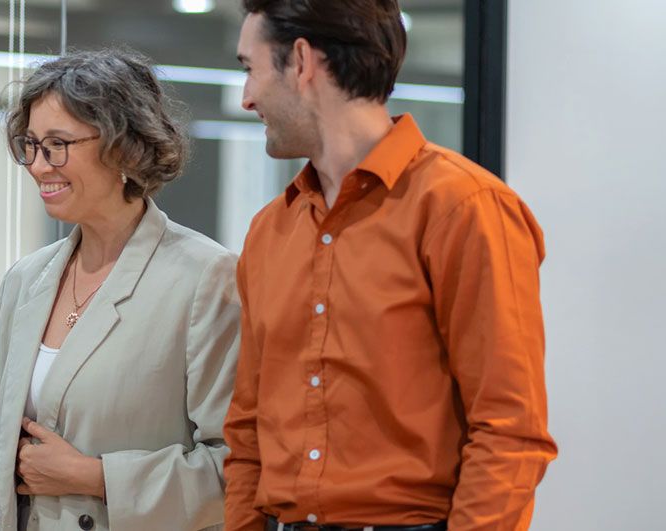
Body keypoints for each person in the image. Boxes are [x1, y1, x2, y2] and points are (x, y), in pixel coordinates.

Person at [222, 2, 557, 530]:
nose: (246, 97)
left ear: (302, 61)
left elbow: (509, 432)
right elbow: (247, 436)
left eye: (250, 68)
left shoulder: (463, 208)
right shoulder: (270, 231)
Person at [0, 48, 241, 531]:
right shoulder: (24, 280)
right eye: (30, 145)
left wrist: (96, 478)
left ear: (124, 147)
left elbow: (236, 470)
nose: (38, 166)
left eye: (57, 144)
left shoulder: (205, 276)